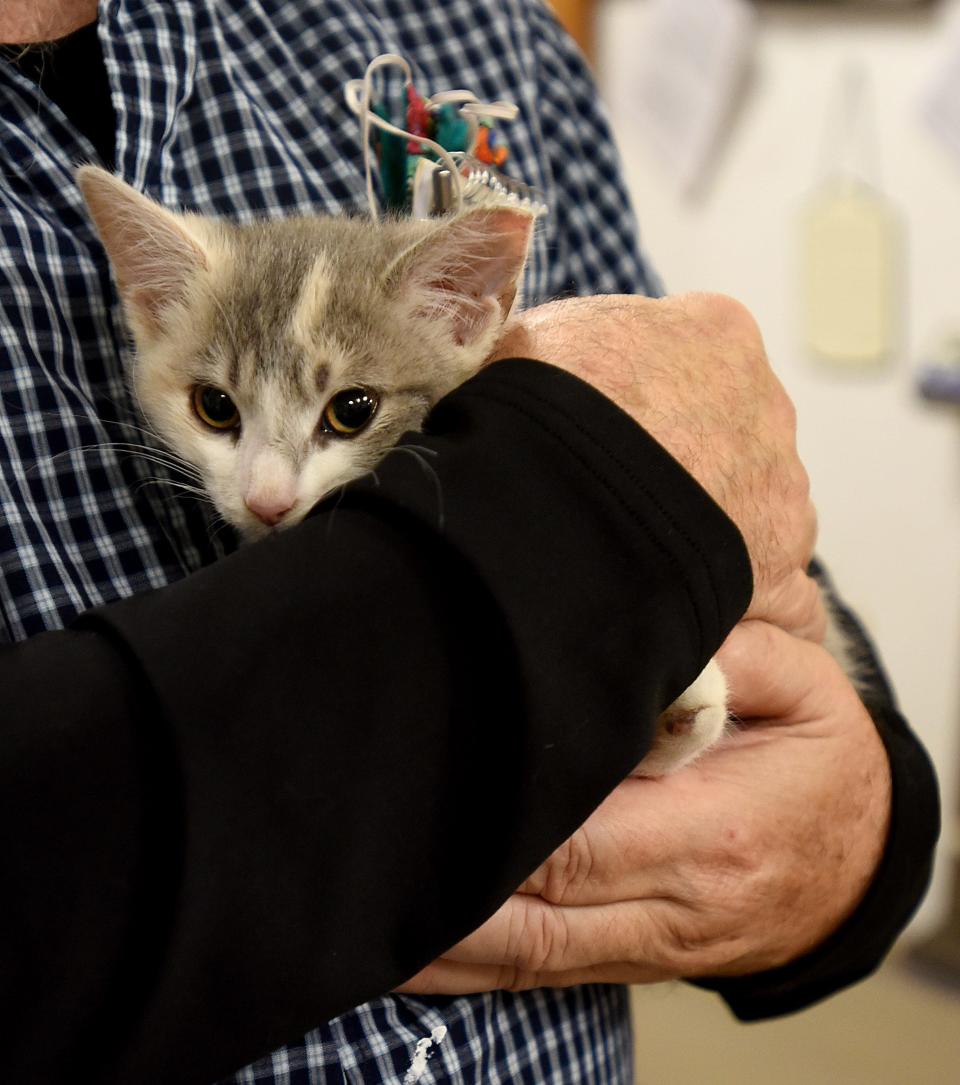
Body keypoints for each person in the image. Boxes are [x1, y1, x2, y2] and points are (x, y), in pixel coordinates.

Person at [0, 3, 937, 1085]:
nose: (263, 494)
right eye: (216, 413)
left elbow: (738, 508)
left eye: (345, 418)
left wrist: (872, 822)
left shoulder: (479, 31)